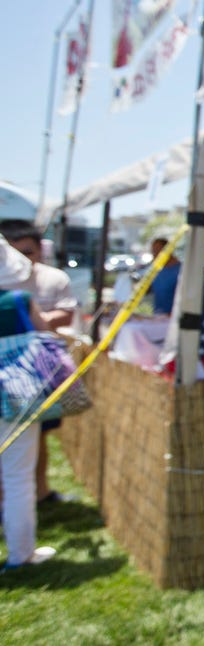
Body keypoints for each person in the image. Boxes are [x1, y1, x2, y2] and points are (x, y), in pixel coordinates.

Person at [0, 221, 78, 505]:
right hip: (22, 380)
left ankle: (39, 492)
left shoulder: (51, 280)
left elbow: (66, 315)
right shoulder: (17, 297)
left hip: (33, 378)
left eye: (27, 251)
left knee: (37, 439)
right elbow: (47, 324)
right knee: (19, 466)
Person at [0, 237, 56, 569]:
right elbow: (49, 338)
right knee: (18, 477)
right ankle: (21, 554)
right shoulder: (18, 300)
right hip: (17, 398)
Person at [148, 237, 180, 315]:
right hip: (158, 317)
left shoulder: (180, 271)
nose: (154, 255)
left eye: (157, 251)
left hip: (174, 319)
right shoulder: (156, 271)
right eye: (153, 251)